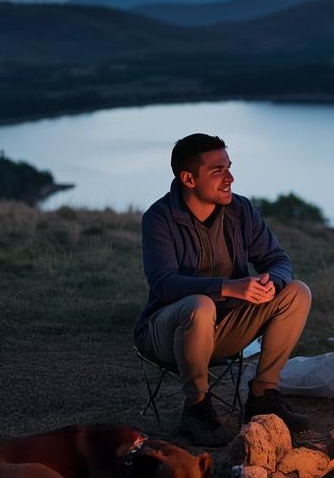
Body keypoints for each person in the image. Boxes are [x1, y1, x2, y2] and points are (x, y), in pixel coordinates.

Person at [134, 133, 312, 446]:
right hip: (167, 331)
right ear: (188, 178)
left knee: (297, 291)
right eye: (218, 171)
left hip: (224, 328)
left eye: (229, 167)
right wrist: (228, 288)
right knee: (200, 306)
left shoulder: (241, 211)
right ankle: (196, 407)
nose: (230, 177)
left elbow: (278, 260)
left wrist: (273, 283)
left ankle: (262, 396)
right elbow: (164, 284)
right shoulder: (160, 218)